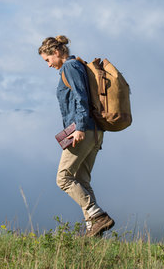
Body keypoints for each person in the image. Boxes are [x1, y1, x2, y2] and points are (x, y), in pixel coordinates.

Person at [38, 35, 114, 238]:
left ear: (56, 53)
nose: (48, 65)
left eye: (47, 60)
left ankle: (97, 216)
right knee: (82, 179)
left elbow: (81, 97)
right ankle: (93, 231)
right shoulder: (77, 66)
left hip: (84, 130)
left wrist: (79, 127)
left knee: (63, 178)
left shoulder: (70, 67)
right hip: (96, 132)